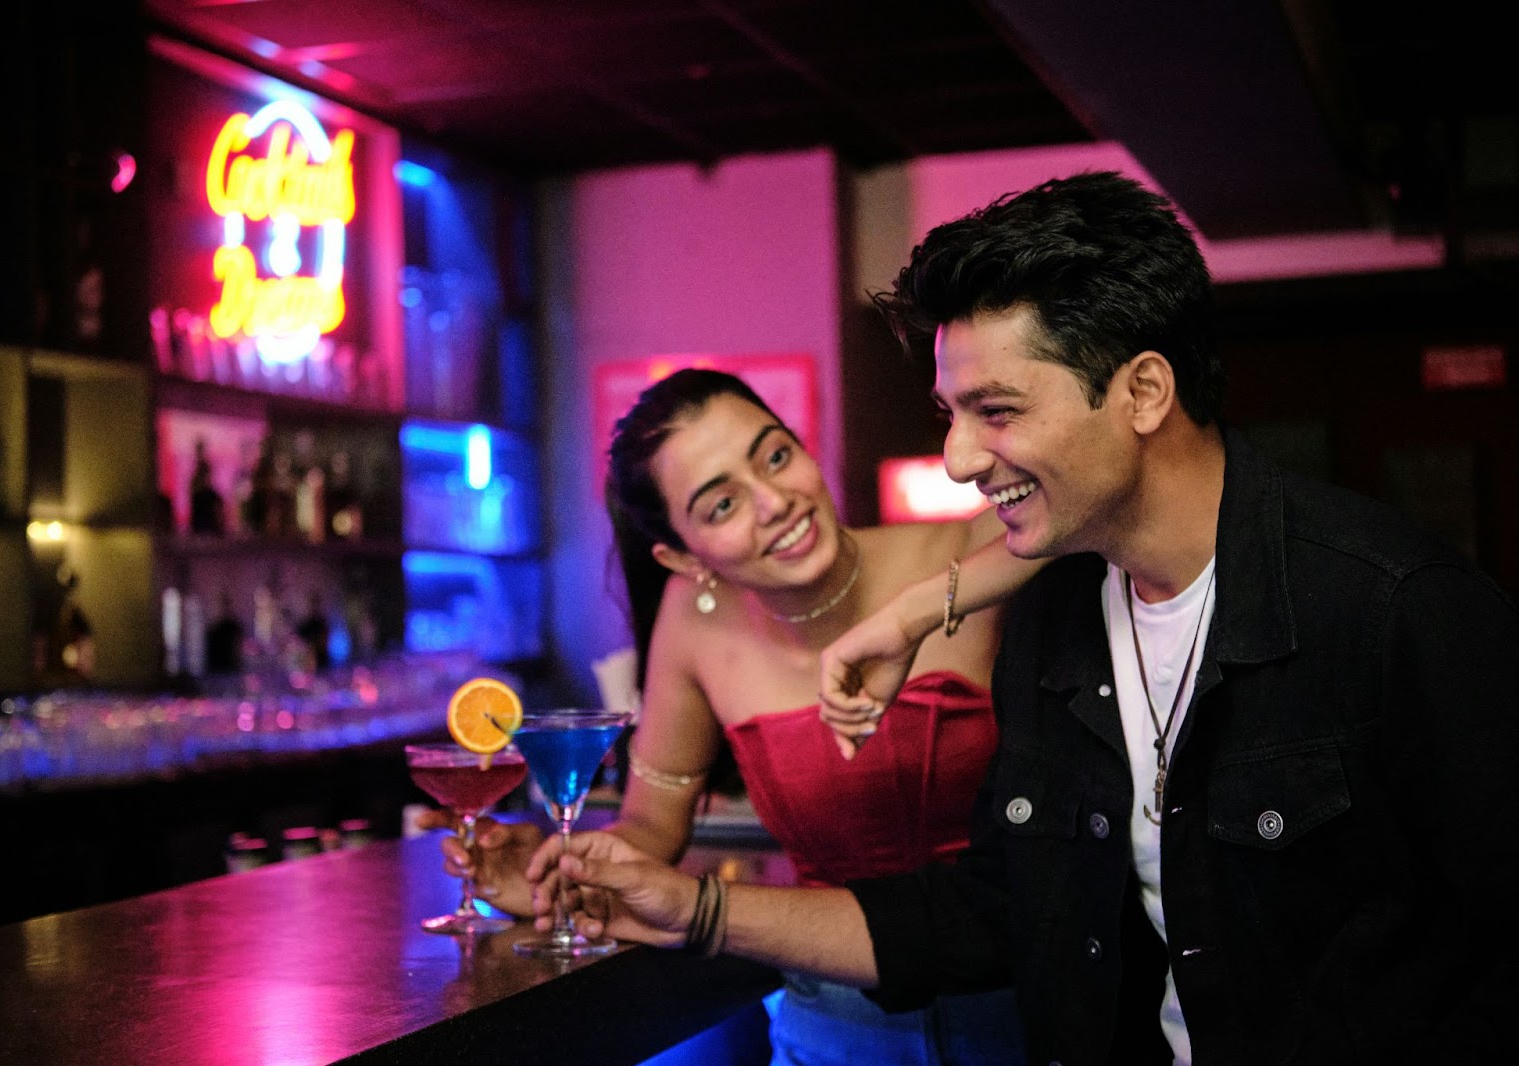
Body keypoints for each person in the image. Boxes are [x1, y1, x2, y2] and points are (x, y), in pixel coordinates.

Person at [538, 172, 1519, 1065]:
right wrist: (694, 909)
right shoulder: (1056, 620)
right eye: (949, 414)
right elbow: (995, 913)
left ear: (1142, 390)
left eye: (995, 410)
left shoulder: (1395, 606)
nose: (960, 458)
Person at [432, 366, 1040, 1064]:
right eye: (721, 506)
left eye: (775, 456)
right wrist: (557, 870)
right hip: (829, 1029)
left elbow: (1086, 503)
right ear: (681, 557)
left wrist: (917, 611)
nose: (774, 501)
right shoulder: (697, 622)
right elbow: (653, 825)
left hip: (1023, 1011)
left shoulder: (964, 556)